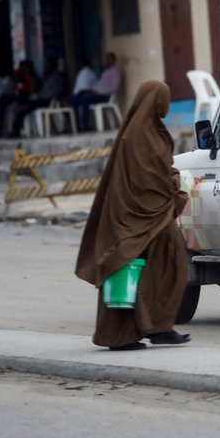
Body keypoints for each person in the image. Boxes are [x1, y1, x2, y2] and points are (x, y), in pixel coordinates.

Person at [74, 80, 191, 350]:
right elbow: (145, 179)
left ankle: (159, 327)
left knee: (168, 265)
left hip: (153, 214)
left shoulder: (153, 130)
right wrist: (170, 182)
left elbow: (157, 170)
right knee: (126, 269)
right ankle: (119, 336)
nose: (167, 104)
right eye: (164, 99)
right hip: (136, 216)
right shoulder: (137, 136)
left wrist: (169, 178)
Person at [10, 57, 68, 137]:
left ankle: (16, 130)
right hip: (40, 99)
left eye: (47, 64)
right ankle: (16, 130)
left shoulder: (57, 77)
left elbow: (54, 93)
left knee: (24, 107)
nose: (45, 66)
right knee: (22, 109)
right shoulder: (46, 77)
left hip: (48, 100)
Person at [71, 52, 122, 132]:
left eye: (109, 59)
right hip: (98, 94)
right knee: (76, 100)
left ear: (114, 60)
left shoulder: (115, 71)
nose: (107, 61)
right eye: (106, 59)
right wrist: (93, 91)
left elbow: (114, 88)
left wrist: (99, 92)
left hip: (106, 96)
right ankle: (76, 126)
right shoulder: (106, 71)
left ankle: (86, 126)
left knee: (85, 99)